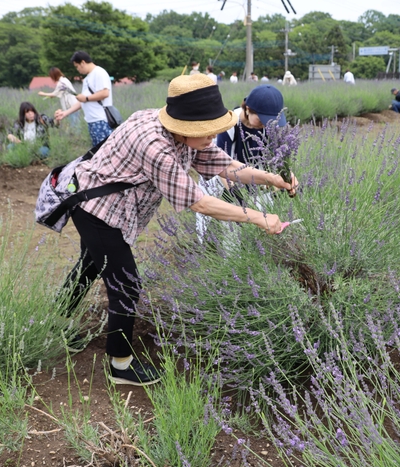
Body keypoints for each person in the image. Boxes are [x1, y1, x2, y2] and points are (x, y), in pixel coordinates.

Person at [59, 74, 298, 386]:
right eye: (204, 132)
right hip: (96, 209)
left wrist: (272, 178)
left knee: (91, 263)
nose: (211, 137)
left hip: (106, 199)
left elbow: (225, 165)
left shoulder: (184, 132)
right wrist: (258, 217)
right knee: (126, 283)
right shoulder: (156, 147)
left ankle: (57, 321)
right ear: (183, 128)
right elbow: (199, 202)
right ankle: (120, 365)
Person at [195, 84, 288, 242]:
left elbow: (273, 157)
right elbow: (220, 166)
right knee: (227, 228)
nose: (265, 124)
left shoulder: (266, 127)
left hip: (249, 178)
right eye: (262, 119)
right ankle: (209, 252)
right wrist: (238, 197)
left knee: (263, 217)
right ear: (248, 109)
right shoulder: (229, 123)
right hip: (220, 179)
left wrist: (284, 177)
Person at [54, 51, 113, 146]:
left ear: (83, 62)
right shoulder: (87, 78)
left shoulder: (99, 72)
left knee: (104, 152)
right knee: (97, 152)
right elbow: (82, 101)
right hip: (92, 121)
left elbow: (105, 93)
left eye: (77, 66)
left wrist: (86, 98)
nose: (78, 70)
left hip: (101, 120)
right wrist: (65, 113)